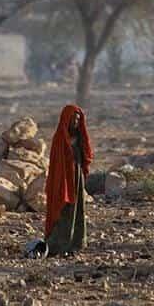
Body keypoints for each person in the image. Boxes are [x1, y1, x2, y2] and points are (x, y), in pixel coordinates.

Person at [44, 104, 93, 257]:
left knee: (78, 209)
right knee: (64, 210)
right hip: (64, 179)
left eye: (78, 119)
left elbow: (85, 155)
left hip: (76, 178)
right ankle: (58, 245)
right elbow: (57, 164)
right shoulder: (60, 138)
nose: (76, 122)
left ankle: (76, 243)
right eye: (74, 119)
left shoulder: (79, 138)